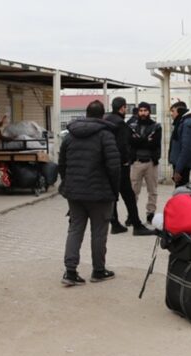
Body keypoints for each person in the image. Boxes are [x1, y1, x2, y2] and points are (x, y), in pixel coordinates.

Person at [59, 100, 120, 285]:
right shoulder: (105, 135)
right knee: (99, 232)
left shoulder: (69, 136)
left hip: (75, 193)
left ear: (86, 114)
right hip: (100, 194)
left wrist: (68, 184)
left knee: (75, 229)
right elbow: (114, 167)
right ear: (102, 115)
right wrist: (114, 190)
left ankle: (70, 272)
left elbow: (62, 164)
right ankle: (99, 271)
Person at [104, 97, 154, 236]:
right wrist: (126, 160)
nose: (126, 111)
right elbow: (123, 144)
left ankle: (115, 224)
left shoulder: (106, 120)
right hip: (120, 165)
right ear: (122, 108)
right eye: (125, 108)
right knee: (129, 195)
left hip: (107, 165)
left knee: (113, 195)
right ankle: (137, 225)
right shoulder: (120, 124)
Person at [128, 102, 162, 224]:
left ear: (149, 111)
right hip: (136, 162)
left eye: (145, 110)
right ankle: (131, 215)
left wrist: (139, 140)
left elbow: (154, 144)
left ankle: (150, 214)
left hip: (151, 163)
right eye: (141, 110)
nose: (143, 113)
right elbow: (131, 142)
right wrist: (145, 140)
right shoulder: (131, 126)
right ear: (138, 112)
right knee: (133, 191)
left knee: (152, 190)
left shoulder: (156, 126)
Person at [168, 101, 191, 187]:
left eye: (173, 111)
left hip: (182, 166)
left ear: (179, 111)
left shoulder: (187, 124)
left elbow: (186, 148)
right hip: (180, 164)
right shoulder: (181, 122)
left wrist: (178, 170)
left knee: (181, 193)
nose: (171, 114)